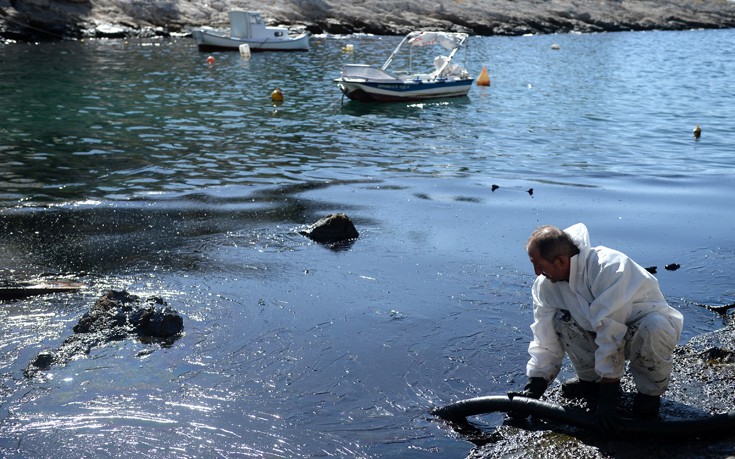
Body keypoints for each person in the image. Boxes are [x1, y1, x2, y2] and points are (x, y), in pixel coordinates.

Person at [509, 223, 684, 435]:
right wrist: (535, 386)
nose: (537, 272)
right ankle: (590, 380)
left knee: (654, 327)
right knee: (559, 320)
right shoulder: (545, 286)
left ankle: (648, 396)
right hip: (600, 331)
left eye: (539, 265)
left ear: (562, 260)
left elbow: (611, 331)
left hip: (639, 329)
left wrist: (609, 397)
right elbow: (544, 335)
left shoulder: (608, 268)